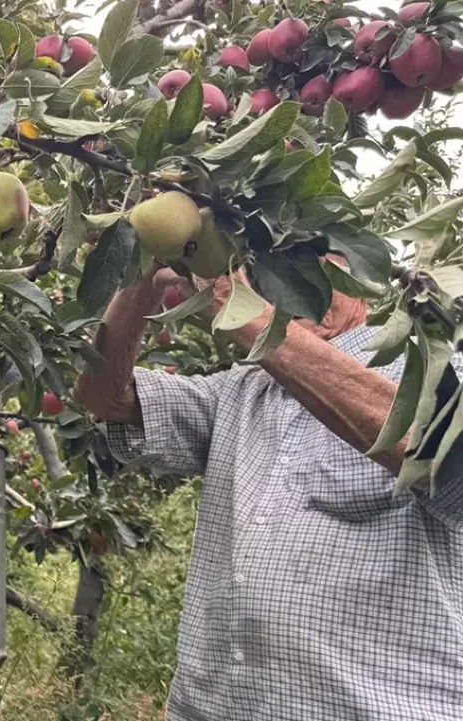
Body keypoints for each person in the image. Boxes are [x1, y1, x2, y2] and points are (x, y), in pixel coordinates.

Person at [74, 261, 463, 720]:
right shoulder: (239, 391)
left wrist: (236, 306)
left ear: (359, 278)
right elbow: (104, 396)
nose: (282, 282)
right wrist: (145, 273)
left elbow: (444, 452)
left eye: (305, 262)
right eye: (263, 269)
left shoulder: (432, 363)